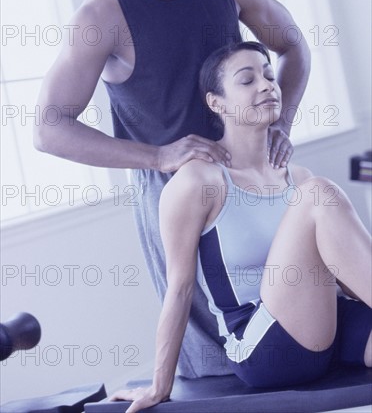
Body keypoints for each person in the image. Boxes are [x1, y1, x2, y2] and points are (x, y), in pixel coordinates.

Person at [33, 0, 311, 377]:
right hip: (176, 195)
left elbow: (294, 46)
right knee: (211, 363)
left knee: (293, 325)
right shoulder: (100, 15)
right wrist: (158, 156)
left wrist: (282, 126)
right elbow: (49, 127)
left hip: (255, 177)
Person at [110, 41, 372, 412]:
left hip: (329, 320)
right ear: (216, 102)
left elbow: (347, 272)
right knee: (319, 193)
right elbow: (180, 288)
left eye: (269, 75)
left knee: (315, 190)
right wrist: (159, 385)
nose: (267, 85)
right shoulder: (198, 181)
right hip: (266, 345)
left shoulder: (297, 176)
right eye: (247, 80)